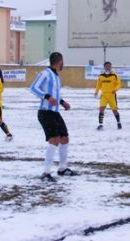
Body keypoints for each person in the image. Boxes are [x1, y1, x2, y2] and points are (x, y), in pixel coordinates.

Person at [29, 52, 76, 181]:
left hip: (55, 112)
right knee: (54, 140)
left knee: (64, 138)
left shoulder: (56, 76)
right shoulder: (45, 73)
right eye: (62, 62)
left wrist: (62, 102)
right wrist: (47, 97)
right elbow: (33, 88)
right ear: (59, 61)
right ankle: (46, 172)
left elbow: (55, 95)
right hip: (45, 112)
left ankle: (62, 168)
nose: (63, 64)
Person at [94, 61, 122, 130]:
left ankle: (118, 122)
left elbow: (119, 84)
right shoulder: (101, 76)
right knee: (101, 109)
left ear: (111, 67)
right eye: (107, 66)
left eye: (109, 66)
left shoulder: (114, 75)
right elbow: (98, 85)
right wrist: (96, 92)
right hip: (104, 95)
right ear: (104, 67)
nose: (108, 67)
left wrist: (115, 89)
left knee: (114, 110)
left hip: (111, 95)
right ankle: (100, 124)